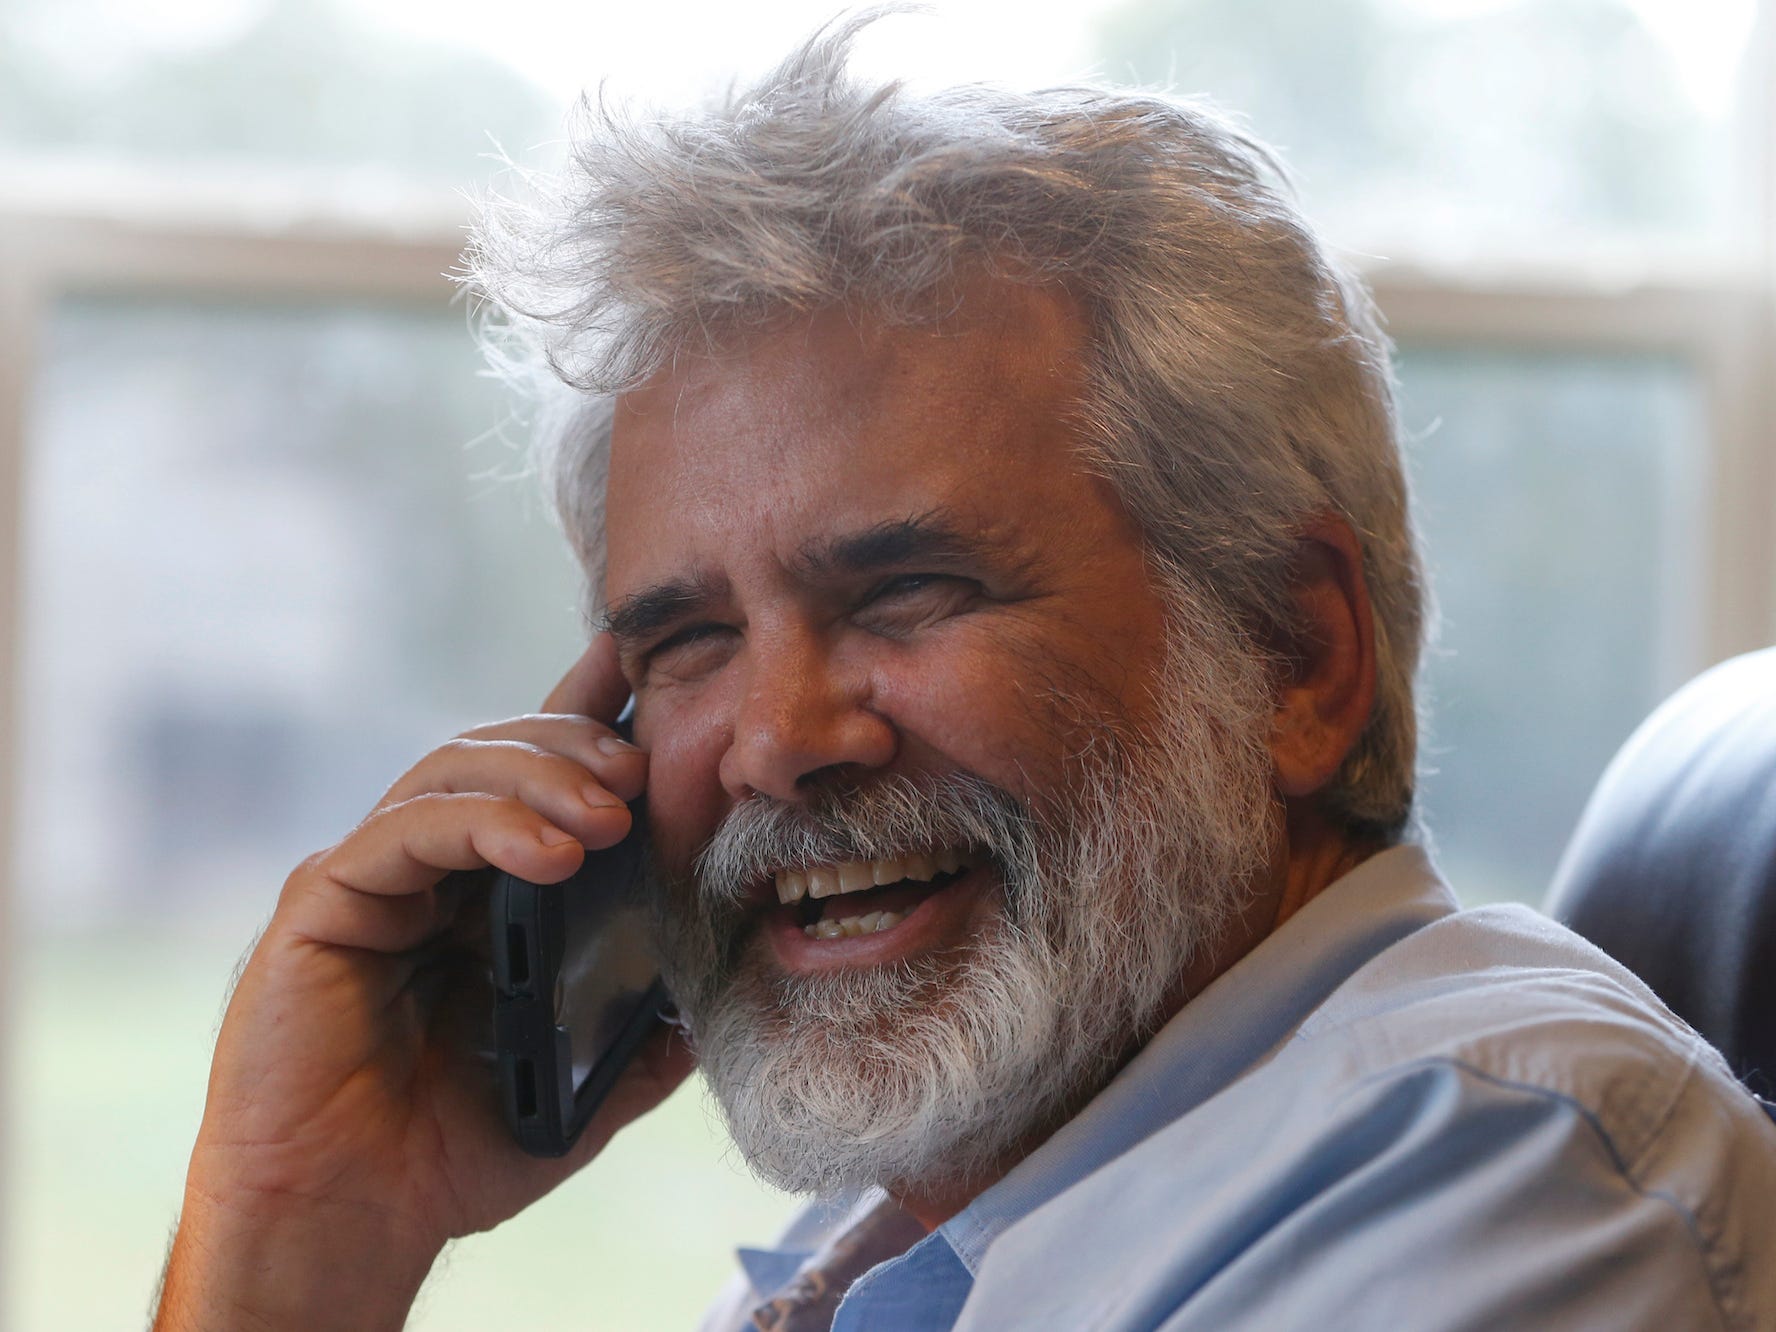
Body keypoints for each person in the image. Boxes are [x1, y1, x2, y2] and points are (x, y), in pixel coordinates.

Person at [153, 16, 1776, 1331]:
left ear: (1298, 656)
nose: (780, 739)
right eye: (688, 639)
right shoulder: (948, 1239)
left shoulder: (1491, 1186)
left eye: (906, 589)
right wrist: (296, 1246)